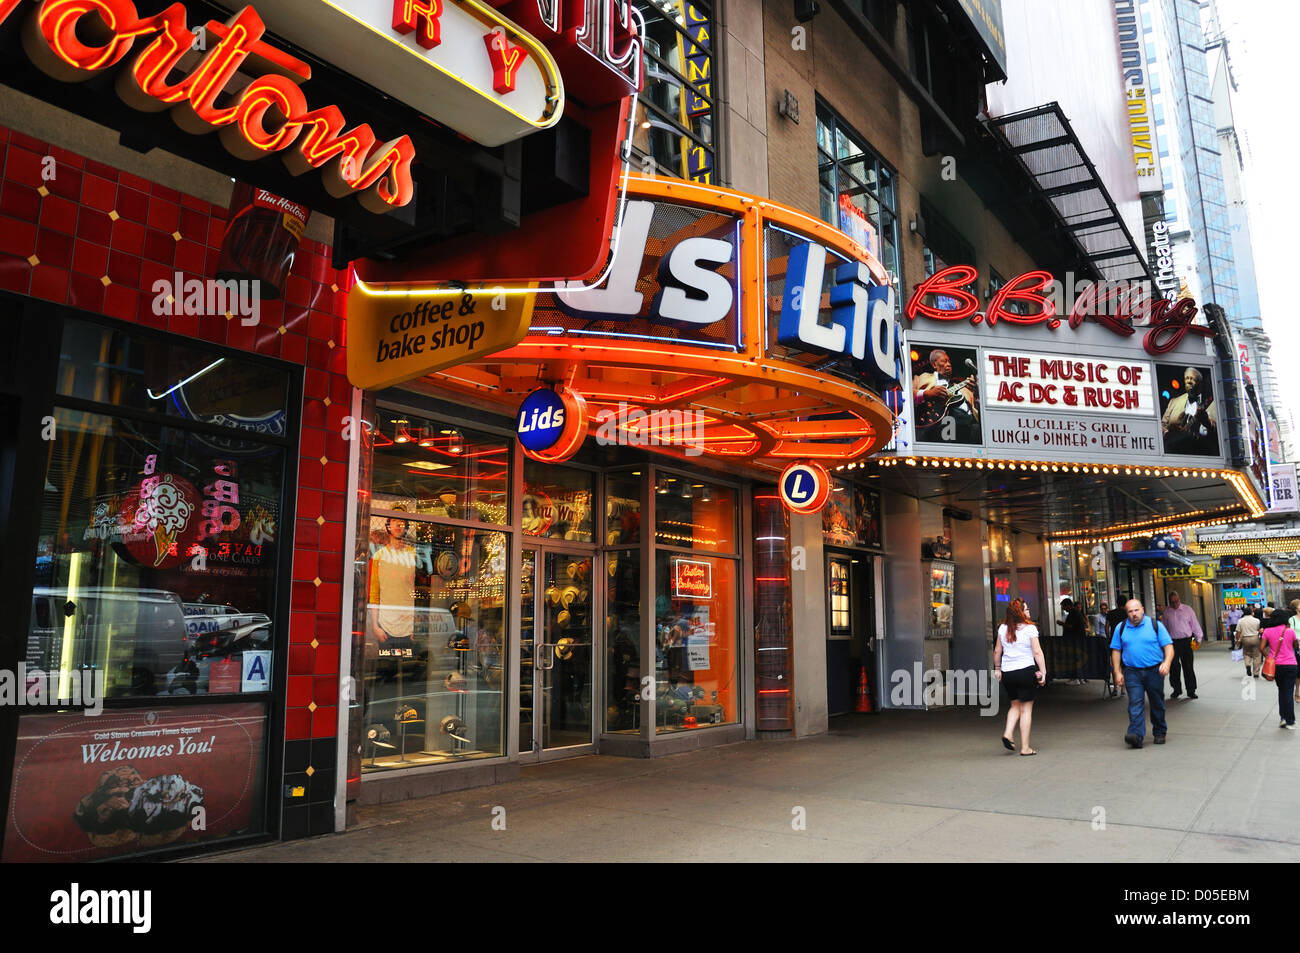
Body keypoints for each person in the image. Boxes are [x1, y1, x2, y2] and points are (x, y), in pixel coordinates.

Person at [1110, 598, 1174, 748]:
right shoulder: (1121, 627)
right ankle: (1136, 735)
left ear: (1143, 609)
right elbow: (1116, 650)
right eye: (1130, 611)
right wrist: (1117, 672)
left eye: (1136, 610)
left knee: (1156, 702)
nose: (1134, 614)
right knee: (1135, 702)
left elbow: (1169, 647)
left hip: (1154, 670)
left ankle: (1159, 732)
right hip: (1132, 672)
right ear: (1127, 613)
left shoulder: (1155, 625)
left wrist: (1167, 663)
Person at [994, 598, 1046, 755]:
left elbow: (997, 651)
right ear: (1021, 612)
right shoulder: (1030, 629)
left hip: (1008, 673)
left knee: (1015, 705)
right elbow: (1037, 652)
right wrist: (1043, 672)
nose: (1029, 611)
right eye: (1026, 609)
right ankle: (1025, 748)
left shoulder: (1003, 628)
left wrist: (997, 668)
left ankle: (1008, 733)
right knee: (1026, 710)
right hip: (1025, 672)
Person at [913, 349, 980, 442]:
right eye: (944, 361)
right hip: (939, 423)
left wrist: (976, 392)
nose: (948, 364)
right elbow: (907, 395)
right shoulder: (921, 378)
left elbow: (977, 409)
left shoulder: (963, 389)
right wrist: (927, 393)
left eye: (949, 362)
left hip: (968, 427)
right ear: (934, 365)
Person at [1160, 366, 1218, 454]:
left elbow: (1218, 432)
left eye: (1192, 378)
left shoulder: (1213, 404)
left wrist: (1206, 423)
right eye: (1187, 378)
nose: (1189, 381)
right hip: (1174, 452)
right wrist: (1170, 433)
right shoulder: (1174, 402)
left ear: (1200, 383)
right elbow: (1161, 426)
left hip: (1201, 454)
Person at [1259, 609, 1298, 729]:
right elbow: (1296, 646)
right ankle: (1290, 721)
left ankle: (1283, 718)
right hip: (1290, 664)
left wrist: (1268, 657)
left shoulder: (1267, 631)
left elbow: (1261, 648)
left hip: (1276, 666)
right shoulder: (1290, 631)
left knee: (1281, 691)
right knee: (1288, 692)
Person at [1163, 590, 1203, 699]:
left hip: (1186, 641)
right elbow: (1164, 628)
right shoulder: (1167, 612)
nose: (1175, 604)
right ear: (1169, 602)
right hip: (1173, 643)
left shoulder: (1187, 610)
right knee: (1174, 667)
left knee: (1188, 666)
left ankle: (1191, 690)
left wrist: (1198, 638)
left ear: (1179, 599)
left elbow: (1194, 624)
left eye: (1176, 601)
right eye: (1172, 602)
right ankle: (1176, 689)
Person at [1059, 598, 1087, 684]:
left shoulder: (1074, 613)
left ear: (1068, 605)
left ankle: (1076, 678)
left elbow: (1071, 626)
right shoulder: (1075, 613)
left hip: (1075, 640)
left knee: (1074, 658)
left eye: (1064, 606)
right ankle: (1080, 677)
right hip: (1078, 639)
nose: (1063, 609)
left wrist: (1062, 624)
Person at [1235, 606, 1263, 677]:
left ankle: (1248, 665)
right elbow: (1259, 630)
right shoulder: (1257, 620)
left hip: (1245, 639)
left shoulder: (1240, 621)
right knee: (1257, 655)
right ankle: (1256, 672)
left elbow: (1238, 632)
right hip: (1255, 638)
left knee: (1247, 654)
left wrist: (1238, 640)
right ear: (1252, 613)